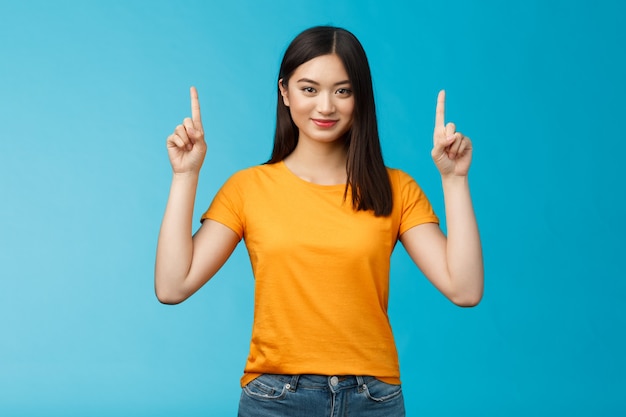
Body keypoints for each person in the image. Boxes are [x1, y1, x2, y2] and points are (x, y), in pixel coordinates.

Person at [155, 26, 483, 417]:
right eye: (309, 89)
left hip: (372, 399)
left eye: (342, 90)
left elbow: (465, 290)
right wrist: (185, 175)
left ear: (359, 97)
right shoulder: (248, 189)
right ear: (285, 92)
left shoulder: (395, 189)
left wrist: (455, 180)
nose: (325, 106)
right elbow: (172, 285)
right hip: (275, 398)